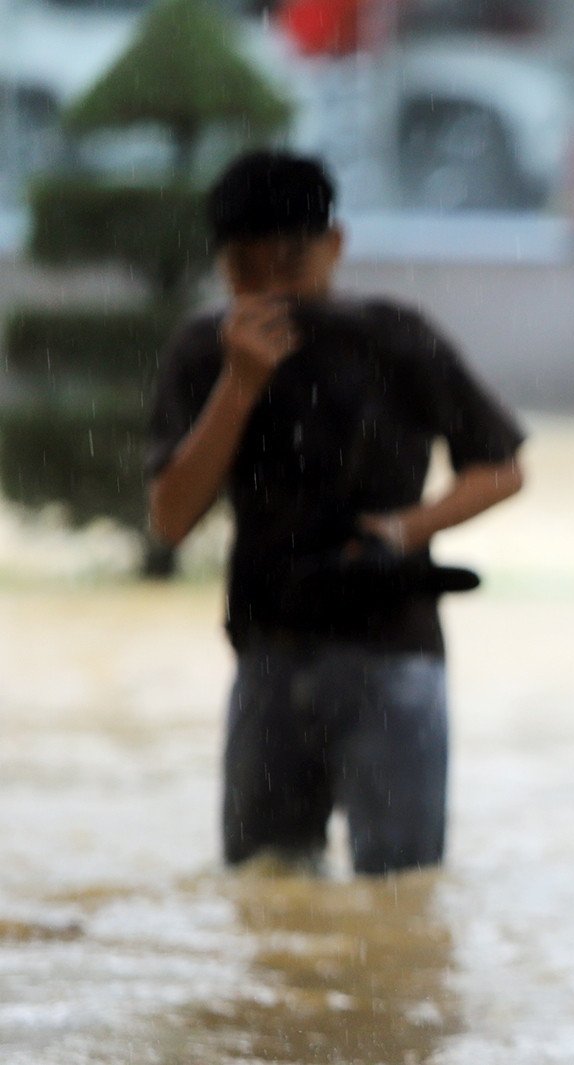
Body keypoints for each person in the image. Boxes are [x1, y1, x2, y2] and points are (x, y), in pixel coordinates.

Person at [147, 150, 525, 876]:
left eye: (290, 265)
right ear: (223, 266)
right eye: (246, 271)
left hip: (393, 650)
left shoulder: (393, 337)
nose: (271, 289)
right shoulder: (204, 351)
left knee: (402, 886)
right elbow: (170, 516)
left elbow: (502, 468)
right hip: (267, 650)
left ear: (335, 247)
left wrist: (406, 530)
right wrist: (240, 384)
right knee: (266, 883)